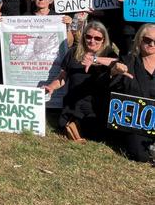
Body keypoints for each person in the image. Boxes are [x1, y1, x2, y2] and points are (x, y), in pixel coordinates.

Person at [43, 21, 117, 142]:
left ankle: (75, 125)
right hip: (74, 101)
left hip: (96, 104)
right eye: (88, 37)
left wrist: (95, 59)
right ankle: (73, 123)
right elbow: (62, 76)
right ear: (83, 37)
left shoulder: (108, 53)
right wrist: (51, 87)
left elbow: (118, 63)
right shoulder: (73, 52)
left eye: (97, 38)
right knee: (65, 123)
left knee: (99, 135)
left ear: (103, 39)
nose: (92, 41)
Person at [109, 23, 155, 162]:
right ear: (140, 40)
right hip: (136, 121)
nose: (152, 44)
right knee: (140, 155)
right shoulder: (128, 62)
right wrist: (113, 72)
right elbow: (111, 87)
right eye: (147, 40)